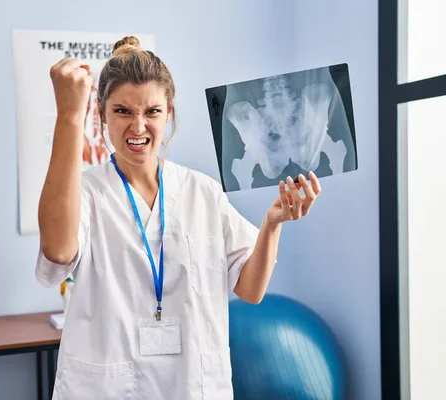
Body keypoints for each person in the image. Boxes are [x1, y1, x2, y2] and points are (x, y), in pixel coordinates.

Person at [36, 36, 321, 400]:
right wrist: (68, 116)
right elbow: (58, 252)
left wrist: (273, 222)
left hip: (191, 386)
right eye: (123, 111)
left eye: (152, 112)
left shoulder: (202, 192)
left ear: (169, 113)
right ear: (102, 113)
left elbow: (250, 289)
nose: (138, 127)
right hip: (110, 387)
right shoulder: (86, 192)